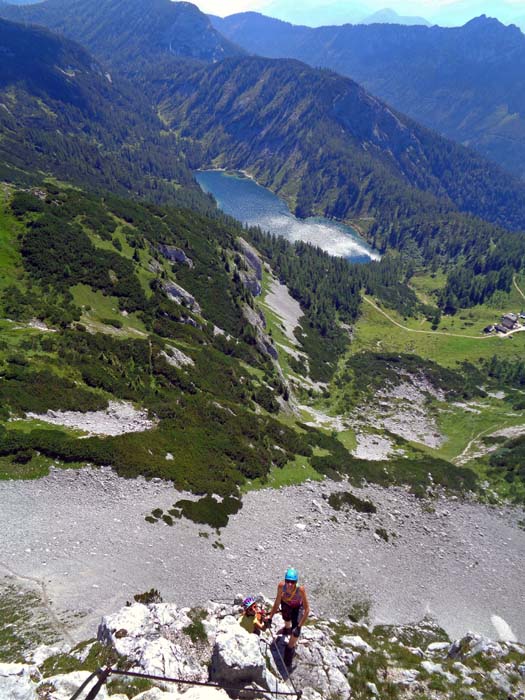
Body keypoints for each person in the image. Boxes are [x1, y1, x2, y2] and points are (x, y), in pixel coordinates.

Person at [268, 567, 310, 667]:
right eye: (288, 581)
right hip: (286, 603)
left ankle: (289, 649)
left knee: (295, 633)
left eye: (292, 582)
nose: (290, 584)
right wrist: (270, 617)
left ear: (296, 582)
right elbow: (277, 602)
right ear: (285, 581)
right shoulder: (281, 586)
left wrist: (299, 627)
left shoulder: (300, 590)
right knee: (286, 618)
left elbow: (307, 609)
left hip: (297, 608)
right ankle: (287, 629)